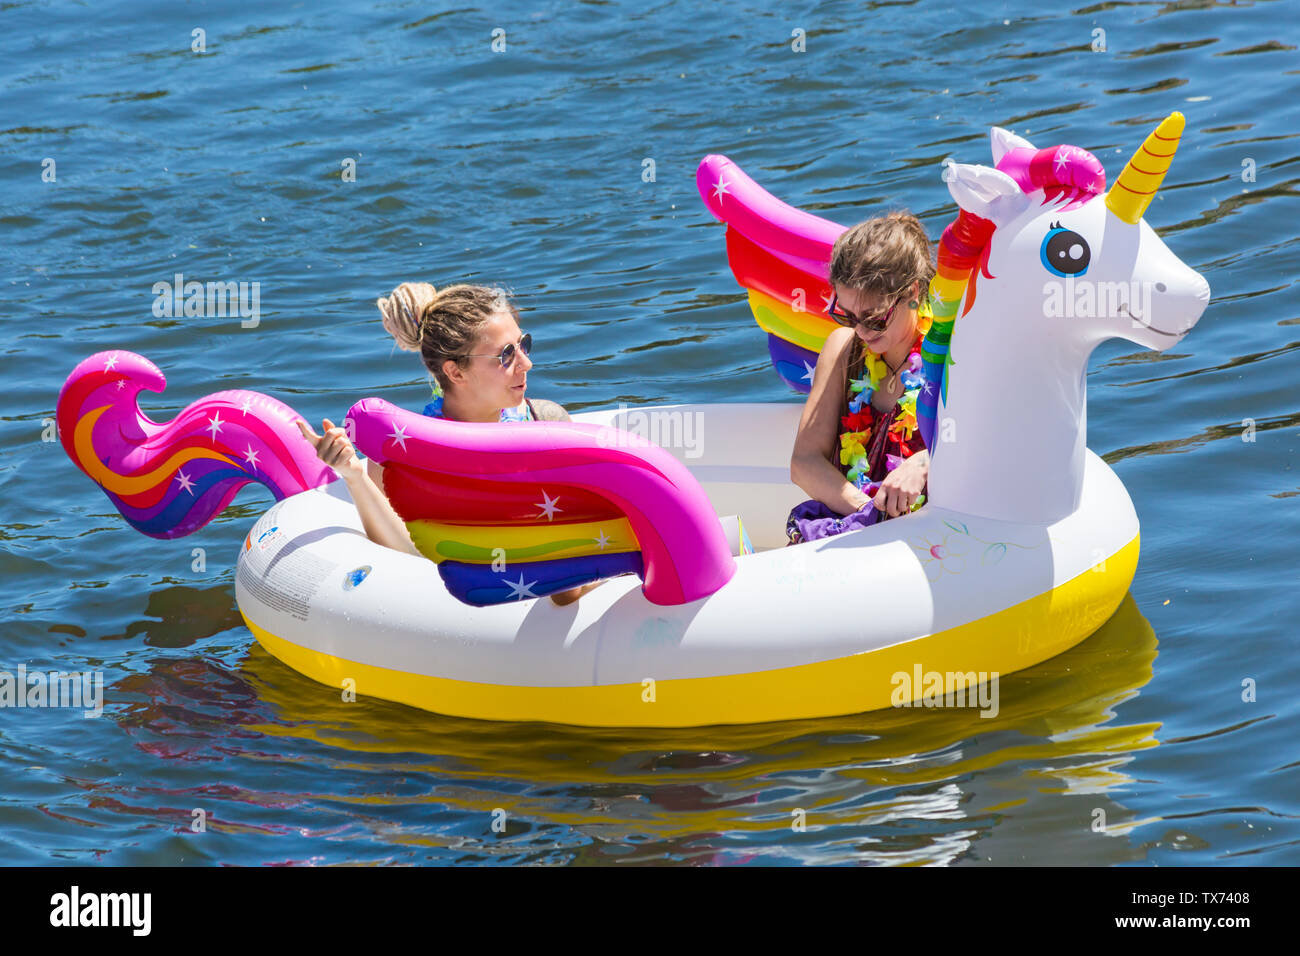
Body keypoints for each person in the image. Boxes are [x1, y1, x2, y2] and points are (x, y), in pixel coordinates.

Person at [296, 281, 599, 605]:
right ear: (455, 372)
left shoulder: (547, 422)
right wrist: (354, 475)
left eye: (524, 345)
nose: (526, 364)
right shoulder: (404, 458)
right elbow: (403, 559)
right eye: (506, 355)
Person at [786, 213, 934, 544]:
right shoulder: (844, 349)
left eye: (875, 318)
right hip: (853, 530)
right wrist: (869, 512)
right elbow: (804, 462)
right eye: (848, 316)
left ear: (911, 292)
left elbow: (990, 439)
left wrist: (926, 463)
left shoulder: (950, 352)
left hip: (929, 537)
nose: (862, 331)